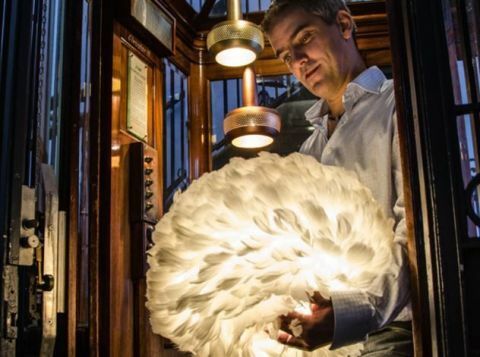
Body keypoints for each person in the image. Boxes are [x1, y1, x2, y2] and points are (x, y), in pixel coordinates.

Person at [261, 0, 413, 355]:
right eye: (286, 56)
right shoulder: (309, 150)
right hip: (327, 339)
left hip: (393, 334)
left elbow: (414, 240)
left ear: (344, 25)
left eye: (305, 37)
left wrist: (346, 316)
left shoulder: (398, 107)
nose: (298, 60)